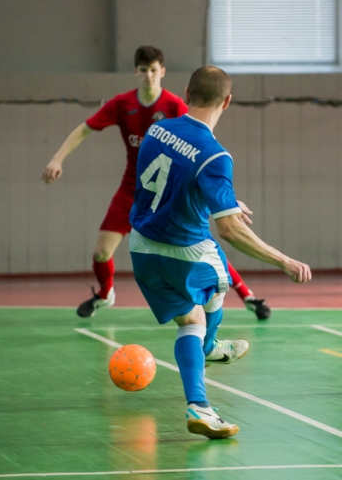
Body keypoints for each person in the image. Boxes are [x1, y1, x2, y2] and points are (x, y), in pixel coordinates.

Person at [130, 66, 311, 438]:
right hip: (186, 251)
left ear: (186, 93)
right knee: (220, 281)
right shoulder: (215, 156)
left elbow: (169, 180)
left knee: (190, 321)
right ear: (227, 101)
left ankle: (200, 404)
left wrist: (222, 202)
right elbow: (229, 230)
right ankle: (211, 347)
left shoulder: (156, 129)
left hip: (141, 247)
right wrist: (284, 260)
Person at [41, 46, 271, 320]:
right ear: (135, 72)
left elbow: (204, 151)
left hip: (171, 192)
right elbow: (85, 128)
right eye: (143, 70)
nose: (148, 76)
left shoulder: (175, 106)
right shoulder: (122, 104)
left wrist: (224, 199)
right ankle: (105, 294)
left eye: (153, 70)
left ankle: (246, 295)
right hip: (134, 191)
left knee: (202, 244)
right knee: (101, 253)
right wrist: (57, 158)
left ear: (162, 72)